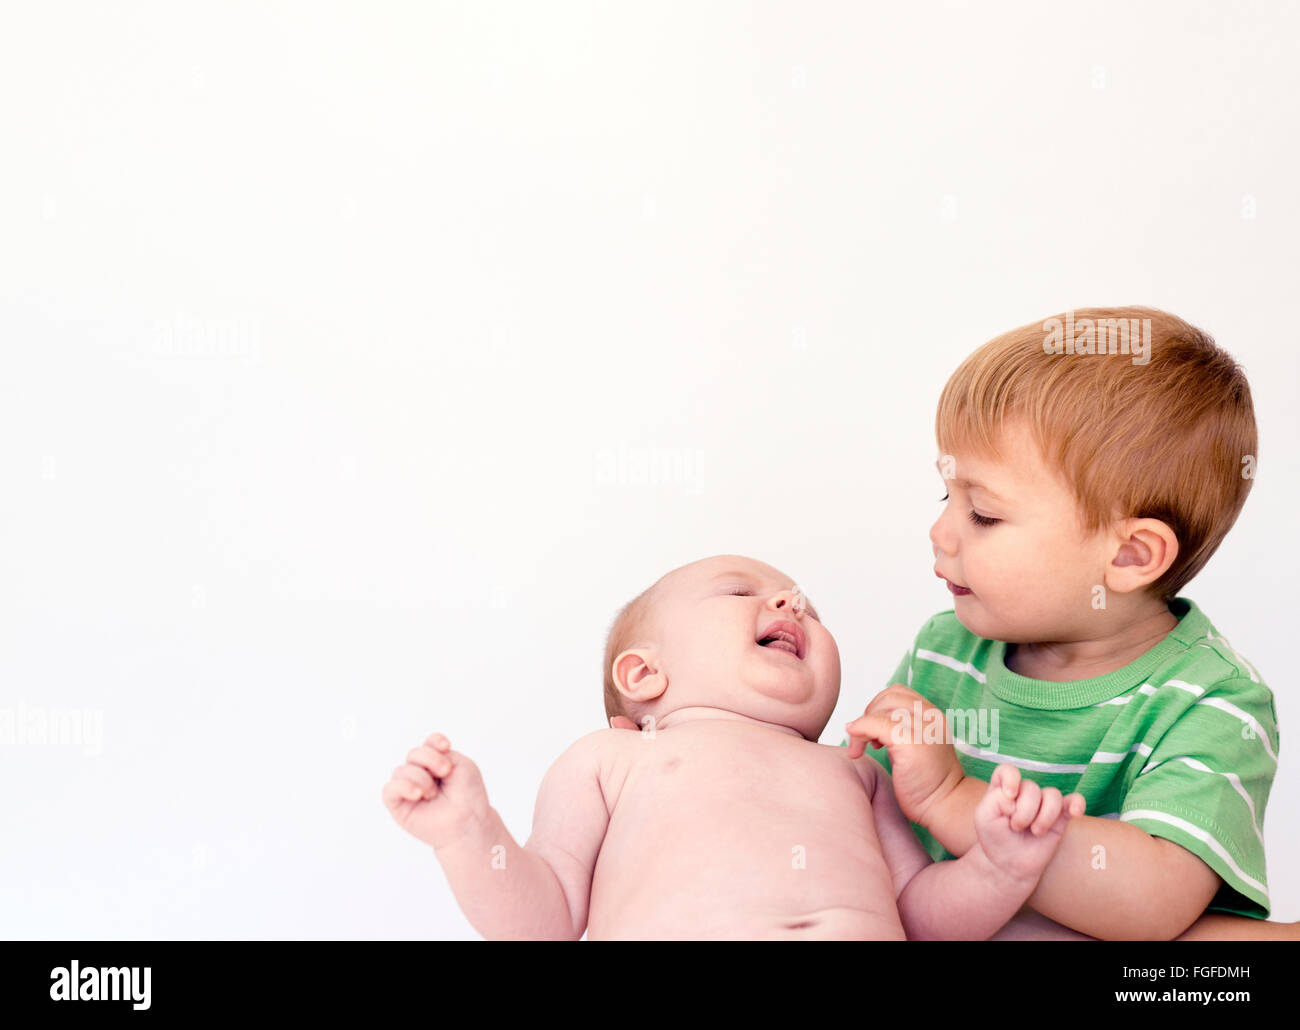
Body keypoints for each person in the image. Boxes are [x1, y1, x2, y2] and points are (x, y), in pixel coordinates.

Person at [383, 554, 1083, 939]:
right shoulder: (613, 760)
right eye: (743, 591)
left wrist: (999, 867)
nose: (790, 604)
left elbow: (921, 913)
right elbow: (544, 921)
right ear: (644, 672)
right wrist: (470, 835)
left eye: (803, 602)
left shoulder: (855, 772)